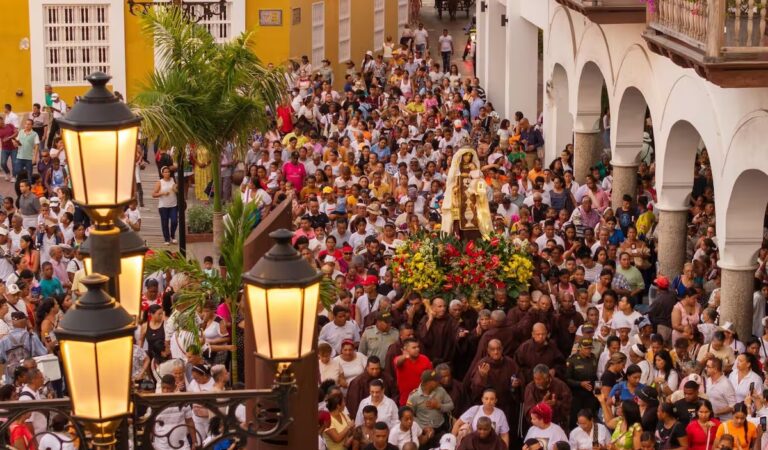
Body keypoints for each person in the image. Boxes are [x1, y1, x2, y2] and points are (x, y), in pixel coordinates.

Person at [153, 165, 179, 244]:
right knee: (165, 223)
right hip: (163, 206)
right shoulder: (160, 182)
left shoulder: (173, 180)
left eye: (168, 172)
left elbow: (177, 188)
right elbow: (153, 194)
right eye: (165, 172)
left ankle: (173, 235)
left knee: (174, 221)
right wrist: (162, 193)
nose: (167, 173)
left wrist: (176, 189)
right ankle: (167, 239)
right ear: (162, 173)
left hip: (173, 205)